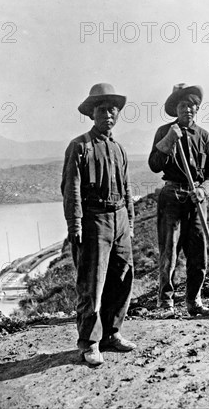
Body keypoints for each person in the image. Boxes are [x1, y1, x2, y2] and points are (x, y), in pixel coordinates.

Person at [61, 83, 135, 366]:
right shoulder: (79, 146)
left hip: (119, 221)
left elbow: (127, 189)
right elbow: (72, 190)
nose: (108, 114)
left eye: (113, 109)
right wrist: (75, 225)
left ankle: (111, 334)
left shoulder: (119, 149)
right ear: (92, 113)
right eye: (102, 109)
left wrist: (129, 221)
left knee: (122, 278)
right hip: (94, 222)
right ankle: (89, 342)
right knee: (92, 285)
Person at [148, 83, 209, 318]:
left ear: (197, 109)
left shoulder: (205, 136)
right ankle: (165, 302)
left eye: (192, 106)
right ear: (175, 109)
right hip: (172, 197)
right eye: (182, 105)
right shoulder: (164, 131)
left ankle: (194, 301)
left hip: (197, 199)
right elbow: (154, 165)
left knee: (199, 251)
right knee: (169, 251)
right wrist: (169, 140)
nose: (187, 110)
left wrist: (204, 189)